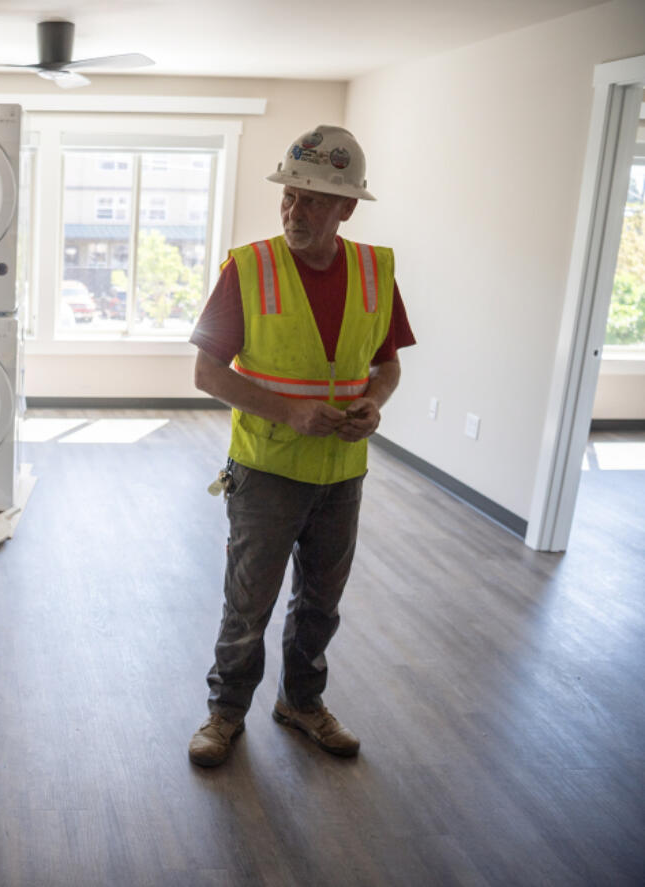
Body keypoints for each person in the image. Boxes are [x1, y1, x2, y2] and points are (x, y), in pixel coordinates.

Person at [187, 125, 416, 766]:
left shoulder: (375, 270)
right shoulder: (249, 267)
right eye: (290, 195)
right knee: (248, 602)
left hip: (343, 473)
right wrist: (290, 411)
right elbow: (206, 373)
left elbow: (387, 364)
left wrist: (376, 402)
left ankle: (301, 703)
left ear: (346, 208)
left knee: (321, 601)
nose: (295, 211)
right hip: (264, 470)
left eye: (313, 200)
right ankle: (224, 714)